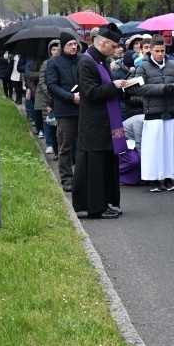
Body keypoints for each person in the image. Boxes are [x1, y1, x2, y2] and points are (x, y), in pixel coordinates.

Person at [73, 24, 129, 219]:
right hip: (94, 126)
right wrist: (113, 86)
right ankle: (95, 208)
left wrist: (124, 88)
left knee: (106, 167)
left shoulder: (102, 60)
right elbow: (90, 93)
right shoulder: (86, 62)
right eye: (113, 46)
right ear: (102, 43)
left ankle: (107, 202)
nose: (115, 50)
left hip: (106, 123)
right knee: (95, 169)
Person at [135, 35, 174, 192]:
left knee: (170, 147)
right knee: (154, 149)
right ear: (150, 50)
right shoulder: (143, 67)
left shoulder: (173, 64)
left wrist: (171, 88)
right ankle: (154, 179)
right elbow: (140, 88)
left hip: (170, 111)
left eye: (163, 50)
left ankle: (170, 178)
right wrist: (163, 88)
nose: (160, 54)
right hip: (153, 112)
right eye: (157, 51)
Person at [46, 32, 82, 191]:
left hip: (82, 109)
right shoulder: (54, 63)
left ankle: (82, 176)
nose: (73, 47)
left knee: (83, 145)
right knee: (65, 146)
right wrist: (70, 97)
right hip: (64, 110)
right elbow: (52, 86)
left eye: (75, 44)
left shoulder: (82, 60)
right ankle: (67, 179)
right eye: (70, 44)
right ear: (63, 46)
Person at [36, 39, 61, 156]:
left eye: (57, 49)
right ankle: (50, 144)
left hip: (61, 97)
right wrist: (50, 91)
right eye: (53, 49)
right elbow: (41, 81)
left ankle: (59, 149)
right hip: (47, 97)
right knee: (48, 122)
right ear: (50, 51)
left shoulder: (63, 62)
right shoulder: (46, 63)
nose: (56, 51)